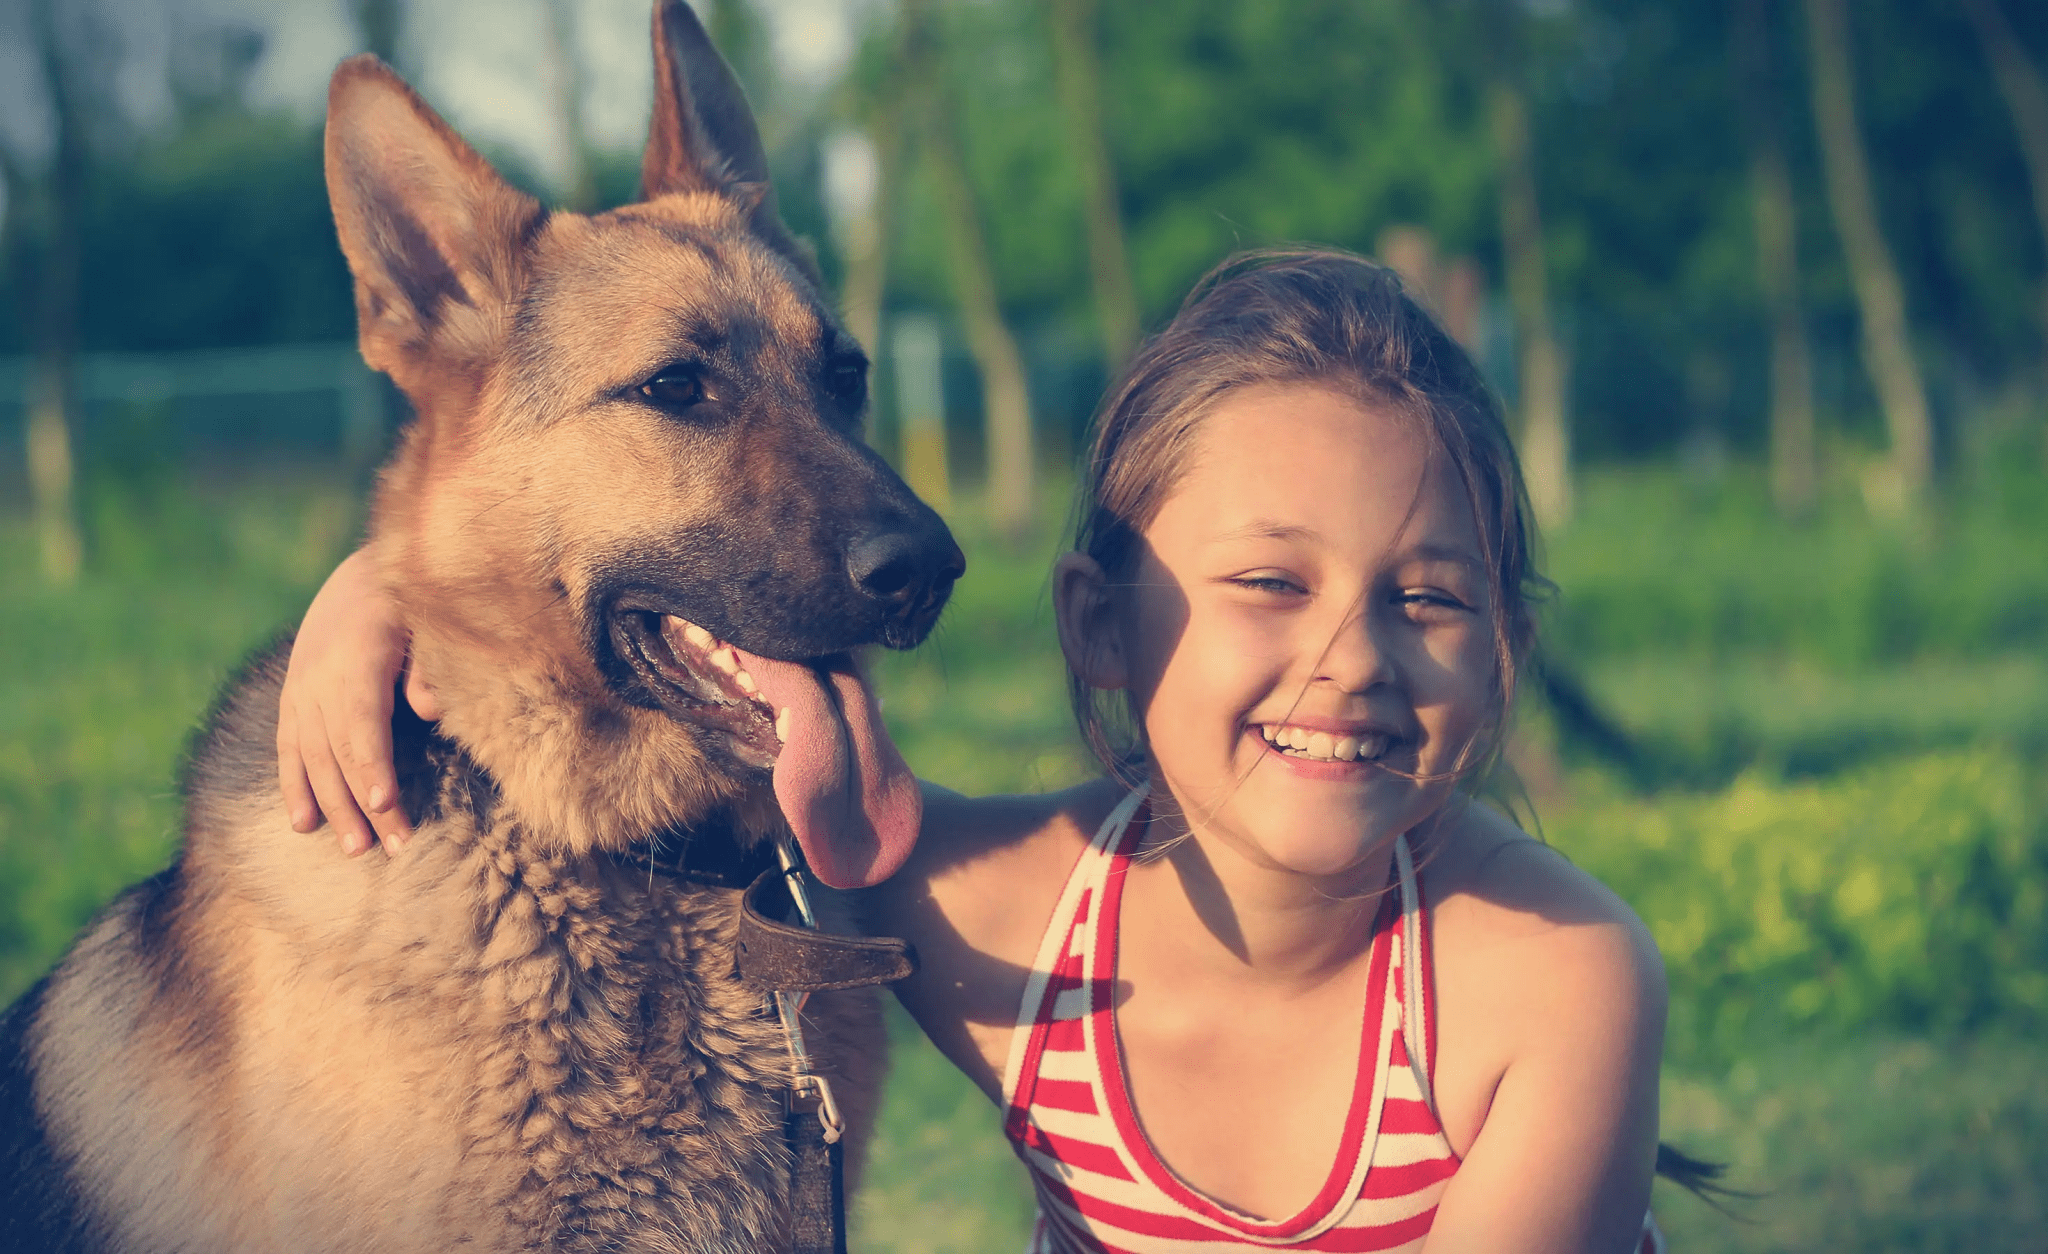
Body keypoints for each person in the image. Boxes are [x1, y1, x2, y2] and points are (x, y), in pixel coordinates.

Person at [279, 249, 1671, 1252]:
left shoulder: (1555, 978)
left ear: (1507, 645)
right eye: (1271, 584)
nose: (1354, 657)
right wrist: (381, 591)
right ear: (1099, 625)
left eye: (1428, 598)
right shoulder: (1005, 918)